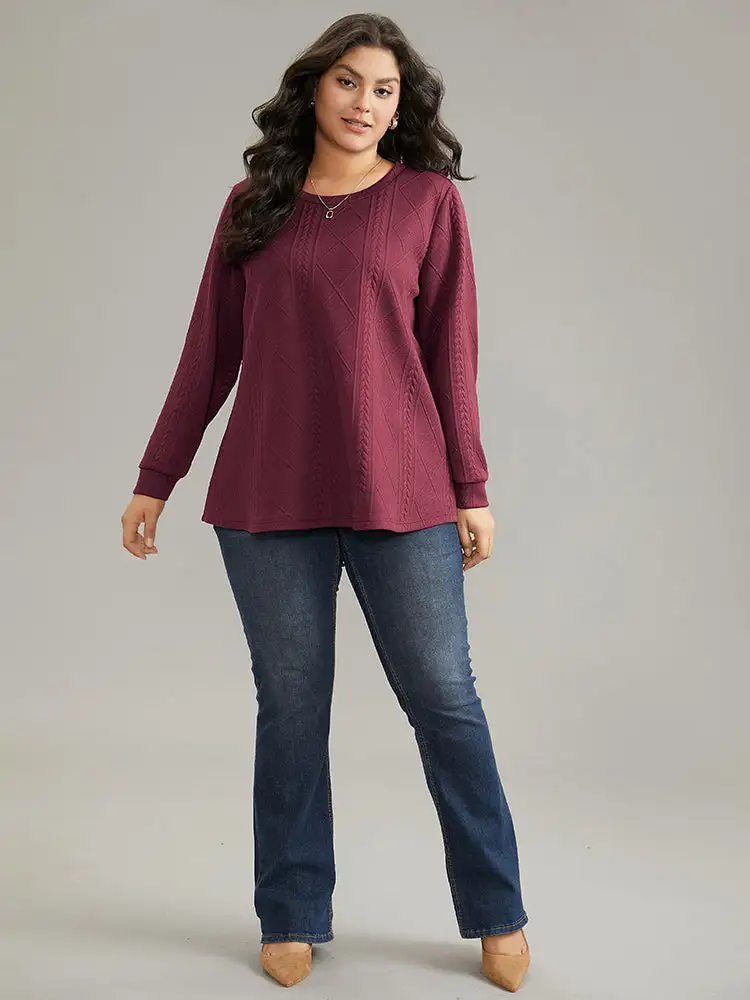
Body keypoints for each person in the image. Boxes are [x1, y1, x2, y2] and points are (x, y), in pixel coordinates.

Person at [121, 12, 531, 993]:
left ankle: (498, 910)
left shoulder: (428, 201)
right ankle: (292, 908)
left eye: (384, 90)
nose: (364, 103)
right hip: (267, 494)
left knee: (445, 698)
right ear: (313, 88)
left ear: (401, 106)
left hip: (405, 490)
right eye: (349, 82)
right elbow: (208, 354)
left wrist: (471, 487)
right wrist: (156, 476)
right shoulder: (252, 205)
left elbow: (453, 356)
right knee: (292, 707)